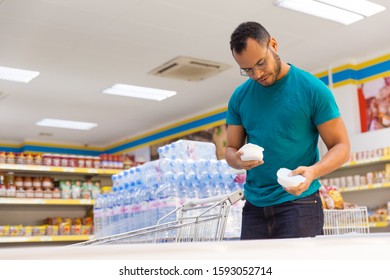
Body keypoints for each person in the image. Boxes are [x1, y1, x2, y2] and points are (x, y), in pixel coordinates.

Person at [225, 21, 350, 239]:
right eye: (247, 70)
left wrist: (313, 172)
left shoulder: (312, 89)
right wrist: (237, 160)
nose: (257, 74)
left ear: (273, 44)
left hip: (299, 204)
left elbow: (342, 147)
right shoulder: (239, 97)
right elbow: (230, 148)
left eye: (261, 63)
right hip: (254, 206)